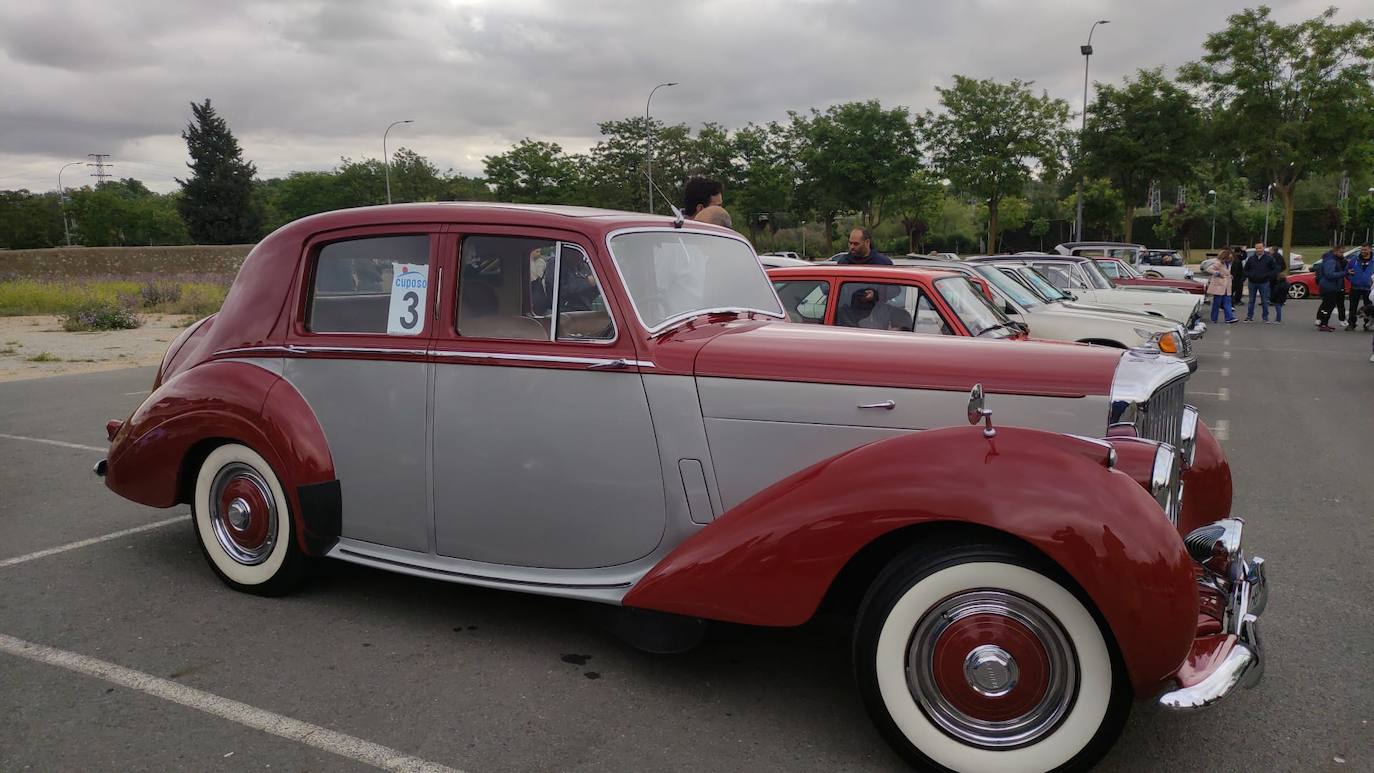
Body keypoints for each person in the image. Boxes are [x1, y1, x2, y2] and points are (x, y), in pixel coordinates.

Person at [1243, 242, 1278, 322]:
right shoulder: (1251, 259)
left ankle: (1265, 317)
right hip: (1252, 282)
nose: (1258, 250)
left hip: (1264, 283)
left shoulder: (1269, 258)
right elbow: (1245, 270)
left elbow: (1275, 270)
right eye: (1257, 248)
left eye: (1260, 248)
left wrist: (1267, 275)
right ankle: (1249, 316)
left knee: (1264, 301)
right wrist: (1250, 275)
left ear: (1263, 248)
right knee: (1251, 300)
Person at [1315, 244, 1348, 331]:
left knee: (1327, 305)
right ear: (1335, 251)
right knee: (1329, 306)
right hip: (1329, 286)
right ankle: (1323, 324)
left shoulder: (1331, 259)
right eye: (1341, 252)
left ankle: (1322, 323)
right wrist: (1344, 273)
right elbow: (1330, 274)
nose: (1342, 254)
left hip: (1328, 286)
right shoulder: (1331, 260)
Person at [1200, 249, 1238, 323]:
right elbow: (1208, 269)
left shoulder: (1229, 264)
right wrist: (1218, 273)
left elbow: (1226, 272)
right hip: (1219, 286)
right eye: (1228, 258)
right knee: (1217, 303)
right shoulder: (1218, 263)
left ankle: (1229, 318)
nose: (1230, 259)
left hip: (1226, 286)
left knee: (1227, 302)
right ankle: (1214, 318)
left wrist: (1230, 276)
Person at [1344, 244, 1372, 331]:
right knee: (1353, 307)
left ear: (1370, 249)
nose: (1363, 251)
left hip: (1369, 289)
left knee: (1369, 308)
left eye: (1365, 250)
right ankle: (1351, 324)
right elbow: (1346, 271)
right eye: (1362, 250)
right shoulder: (1354, 260)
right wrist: (1351, 278)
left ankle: (1366, 324)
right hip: (1355, 287)